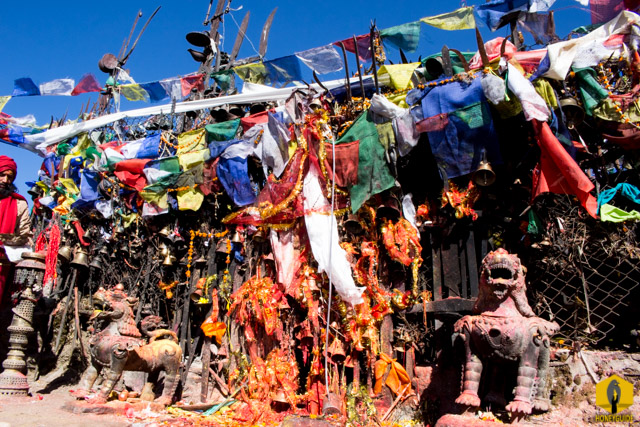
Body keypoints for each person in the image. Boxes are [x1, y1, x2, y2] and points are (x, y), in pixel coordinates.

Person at [0, 155, 32, 304]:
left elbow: (24, 235)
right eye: (2, 175)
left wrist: (3, 239)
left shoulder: (19, 203)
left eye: (9, 177)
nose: (5, 181)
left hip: (2, 266)